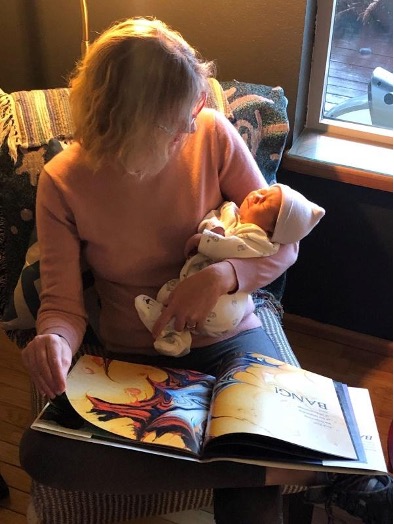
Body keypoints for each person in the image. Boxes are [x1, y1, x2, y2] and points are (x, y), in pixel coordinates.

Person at [19, 17, 392, 524]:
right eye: (179, 115)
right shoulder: (63, 182)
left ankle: (262, 463)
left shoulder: (213, 134)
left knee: (252, 498)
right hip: (134, 356)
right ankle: (293, 467)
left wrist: (221, 277)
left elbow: (284, 244)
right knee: (44, 454)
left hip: (233, 336)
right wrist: (56, 341)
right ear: (132, 119)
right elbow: (63, 306)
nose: (194, 123)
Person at [135, 184, 325, 356]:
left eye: (266, 203)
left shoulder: (258, 236)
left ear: (272, 229)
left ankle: (174, 333)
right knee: (169, 294)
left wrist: (221, 273)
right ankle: (172, 335)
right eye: (263, 192)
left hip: (228, 312)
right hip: (132, 338)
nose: (258, 194)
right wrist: (213, 227)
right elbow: (213, 218)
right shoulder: (233, 211)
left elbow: (284, 246)